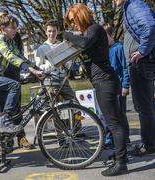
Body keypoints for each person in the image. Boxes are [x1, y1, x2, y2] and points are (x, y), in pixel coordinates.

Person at [64, 3, 128, 176]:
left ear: (81, 15)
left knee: (113, 123)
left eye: (73, 20)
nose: (72, 25)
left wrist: (66, 35)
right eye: (70, 23)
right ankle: (121, 156)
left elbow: (84, 43)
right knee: (115, 121)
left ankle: (121, 163)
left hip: (105, 81)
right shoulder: (89, 31)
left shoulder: (95, 29)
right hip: (102, 81)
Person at [0, 14, 44, 134]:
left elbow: (20, 56)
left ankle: (5, 136)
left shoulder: (10, 41)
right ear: (2, 28)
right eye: (13, 28)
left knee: (11, 100)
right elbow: (9, 56)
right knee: (15, 85)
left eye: (16, 28)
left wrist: (37, 68)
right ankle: (5, 121)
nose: (16, 31)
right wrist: (31, 70)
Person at [115, 0, 155, 156]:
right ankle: (151, 142)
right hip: (141, 63)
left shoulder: (134, 5)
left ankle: (149, 145)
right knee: (148, 105)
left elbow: (150, 27)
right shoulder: (131, 6)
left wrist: (142, 51)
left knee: (144, 107)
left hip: (141, 63)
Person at [35, 19, 81, 145]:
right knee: (56, 111)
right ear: (46, 32)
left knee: (76, 105)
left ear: (57, 31)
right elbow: (38, 66)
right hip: (50, 82)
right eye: (49, 31)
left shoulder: (61, 45)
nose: (51, 34)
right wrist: (50, 65)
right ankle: (61, 137)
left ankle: (76, 128)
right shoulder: (41, 48)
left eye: (54, 31)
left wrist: (67, 61)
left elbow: (68, 63)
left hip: (63, 81)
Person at [0, 9, 34, 149]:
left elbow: (19, 53)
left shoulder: (15, 35)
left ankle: (21, 138)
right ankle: (5, 141)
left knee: (17, 108)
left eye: (6, 16)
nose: (4, 19)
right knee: (2, 110)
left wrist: (29, 67)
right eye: (1, 17)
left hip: (13, 73)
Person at [102, 23, 131, 147]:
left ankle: (125, 137)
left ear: (112, 34)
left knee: (120, 114)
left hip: (119, 87)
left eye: (105, 36)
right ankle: (109, 138)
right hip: (108, 87)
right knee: (108, 114)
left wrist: (125, 85)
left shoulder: (119, 48)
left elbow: (125, 68)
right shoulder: (104, 50)